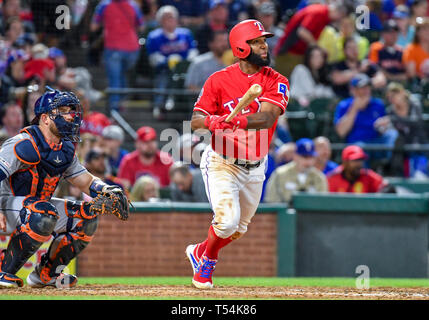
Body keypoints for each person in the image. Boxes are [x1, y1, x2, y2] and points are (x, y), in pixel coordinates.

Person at [186, 19, 289, 289]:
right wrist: (211, 122)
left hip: (256, 165)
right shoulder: (218, 80)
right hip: (223, 162)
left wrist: (236, 121)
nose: (264, 46)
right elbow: (196, 119)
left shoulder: (277, 81)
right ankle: (207, 262)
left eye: (264, 41)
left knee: (238, 229)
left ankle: (199, 251)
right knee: (226, 223)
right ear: (241, 47)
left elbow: (267, 118)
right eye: (256, 42)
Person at [0, 87, 129, 288]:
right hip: (6, 207)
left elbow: (84, 180)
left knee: (86, 218)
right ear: (45, 118)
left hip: (35, 210)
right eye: (63, 111)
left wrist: (107, 189)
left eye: (71, 110)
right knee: (43, 212)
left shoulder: (65, 148)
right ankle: (3, 272)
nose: (70, 116)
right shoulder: (23, 143)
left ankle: (45, 274)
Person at [90, 0, 145, 112]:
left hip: (113, 48)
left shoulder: (104, 5)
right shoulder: (133, 5)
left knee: (114, 80)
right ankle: (122, 103)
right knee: (121, 75)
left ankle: (114, 112)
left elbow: (93, 26)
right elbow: (142, 27)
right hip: (132, 49)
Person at [146, 5, 199, 118]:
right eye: (166, 17)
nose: (170, 20)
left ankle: (194, 109)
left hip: (185, 69)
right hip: (164, 70)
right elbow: (154, 58)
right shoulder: (154, 36)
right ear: (160, 21)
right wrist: (168, 62)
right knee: (163, 80)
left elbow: (193, 52)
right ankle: (159, 106)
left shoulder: (185, 33)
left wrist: (183, 62)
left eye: (172, 17)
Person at [334, 73, 398, 160]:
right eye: (362, 88)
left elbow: (385, 128)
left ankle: (394, 168)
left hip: (377, 142)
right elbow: (341, 132)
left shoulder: (378, 104)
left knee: (392, 135)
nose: (366, 90)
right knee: (359, 149)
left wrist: (384, 125)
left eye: (368, 87)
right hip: (357, 144)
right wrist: (354, 109)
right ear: (354, 90)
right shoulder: (344, 105)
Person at [274, 2, 346, 77]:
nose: (339, 19)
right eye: (340, 16)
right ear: (336, 11)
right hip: (289, 54)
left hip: (297, 54)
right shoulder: (319, 12)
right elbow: (302, 32)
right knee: (283, 84)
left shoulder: (323, 14)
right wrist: (318, 48)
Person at [384, 82, 428, 177]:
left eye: (396, 93)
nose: (394, 98)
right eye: (391, 96)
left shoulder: (414, 103)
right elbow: (390, 129)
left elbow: (416, 122)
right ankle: (396, 175)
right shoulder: (390, 110)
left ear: (403, 93)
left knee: (421, 170)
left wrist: (394, 119)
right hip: (402, 146)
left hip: (419, 142)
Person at [264, 138, 327, 203]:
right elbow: (271, 200)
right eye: (304, 157)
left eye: (311, 157)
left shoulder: (319, 177)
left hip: (312, 212)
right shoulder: (280, 174)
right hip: (284, 212)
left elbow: (323, 203)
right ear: (295, 156)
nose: (308, 161)